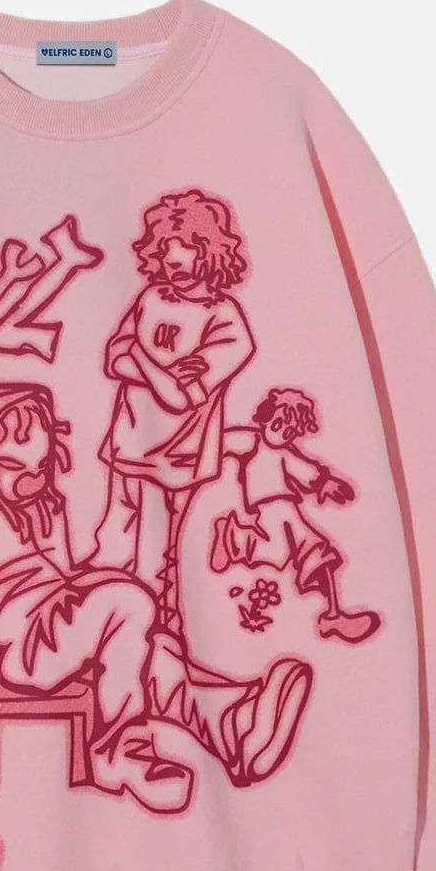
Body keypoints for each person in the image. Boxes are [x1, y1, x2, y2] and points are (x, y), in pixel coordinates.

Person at [0, 382, 313, 814]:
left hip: (53, 632)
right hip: (26, 649)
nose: (32, 478)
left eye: (41, 465)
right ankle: (117, 749)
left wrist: (85, 569)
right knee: (127, 604)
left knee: (152, 649)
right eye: (11, 464)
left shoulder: (41, 511)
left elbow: (63, 581)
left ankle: (232, 726)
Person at [94, 189, 255, 627]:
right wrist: (162, 371)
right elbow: (113, 359)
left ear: (209, 251)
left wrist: (140, 356)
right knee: (114, 547)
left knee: (167, 559)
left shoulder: (227, 320)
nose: (171, 261)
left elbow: (180, 397)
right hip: (128, 447)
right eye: (164, 251)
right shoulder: (150, 298)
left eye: (182, 250)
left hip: (181, 460)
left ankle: (163, 634)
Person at [211, 386, 380, 644]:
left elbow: (308, 471)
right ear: (265, 417)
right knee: (279, 551)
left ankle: (333, 615)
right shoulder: (250, 441)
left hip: (288, 513)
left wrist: (326, 483)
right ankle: (231, 535)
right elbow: (215, 441)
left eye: (289, 431)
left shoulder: (287, 455)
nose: (281, 433)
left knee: (313, 552)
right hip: (268, 513)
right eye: (277, 423)